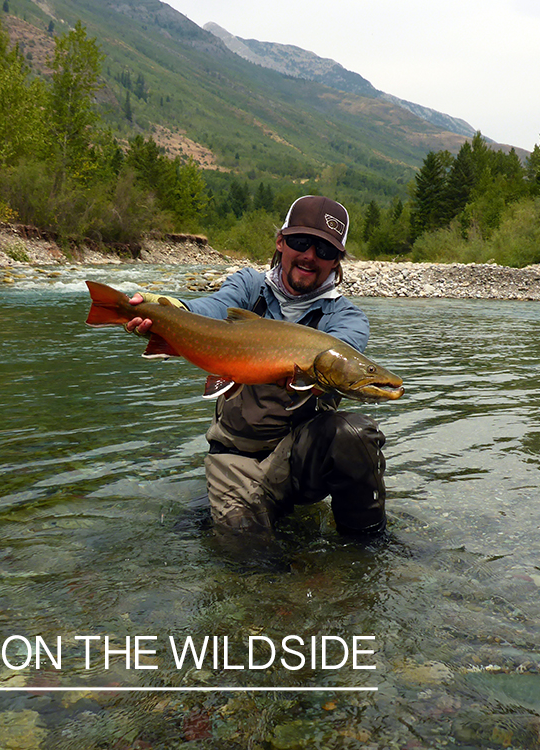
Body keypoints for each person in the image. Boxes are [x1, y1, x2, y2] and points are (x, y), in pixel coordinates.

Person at [125, 195, 387, 547]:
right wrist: (171, 309)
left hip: (299, 460)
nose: (310, 256)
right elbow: (214, 308)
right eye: (300, 242)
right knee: (251, 565)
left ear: (337, 260)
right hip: (236, 459)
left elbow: (336, 364)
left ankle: (366, 550)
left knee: (354, 433)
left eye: (325, 250)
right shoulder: (249, 286)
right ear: (281, 242)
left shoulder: (348, 320)